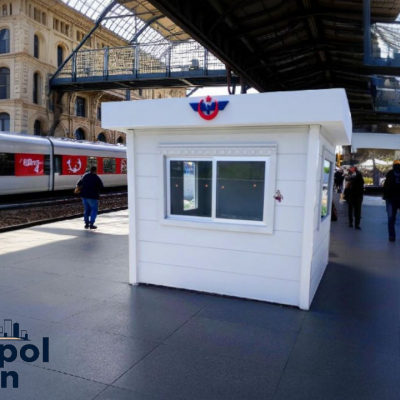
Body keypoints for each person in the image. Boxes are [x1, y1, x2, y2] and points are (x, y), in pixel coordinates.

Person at [383, 160, 400, 242]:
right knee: (391, 218)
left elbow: (385, 186)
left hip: (393, 198)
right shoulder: (389, 174)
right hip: (391, 199)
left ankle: (391, 236)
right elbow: (386, 186)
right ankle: (391, 236)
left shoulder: (389, 174)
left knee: (391, 218)